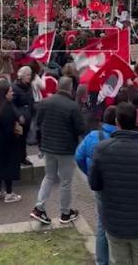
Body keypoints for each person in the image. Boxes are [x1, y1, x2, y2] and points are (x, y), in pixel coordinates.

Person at [89, 102, 138, 265]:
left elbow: (94, 184)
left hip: (114, 224)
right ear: (137, 121)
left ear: (117, 122)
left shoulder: (101, 149)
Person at [30, 77, 86, 225]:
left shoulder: (44, 103)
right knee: (66, 182)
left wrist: (41, 145)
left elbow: (38, 124)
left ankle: (39, 208)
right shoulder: (72, 106)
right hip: (66, 149)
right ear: (70, 88)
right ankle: (65, 213)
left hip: (48, 147)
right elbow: (81, 129)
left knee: (49, 177)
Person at [75, 105, 118, 265]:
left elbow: (79, 157)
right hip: (120, 186)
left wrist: (90, 175)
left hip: (100, 186)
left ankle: (102, 261)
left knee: (102, 224)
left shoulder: (93, 136)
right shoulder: (122, 138)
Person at [0, 79, 23, 203]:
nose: (12, 93)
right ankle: (9, 193)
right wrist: (16, 133)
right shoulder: (7, 108)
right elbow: (8, 128)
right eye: (10, 91)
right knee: (8, 167)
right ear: (5, 93)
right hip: (6, 143)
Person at [13, 66, 36, 166]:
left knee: (24, 139)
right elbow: (12, 104)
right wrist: (18, 116)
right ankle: (18, 158)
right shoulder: (15, 87)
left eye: (30, 75)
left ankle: (23, 157)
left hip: (28, 116)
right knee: (18, 140)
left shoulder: (28, 86)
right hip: (19, 118)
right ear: (21, 76)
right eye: (27, 75)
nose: (29, 77)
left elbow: (31, 100)